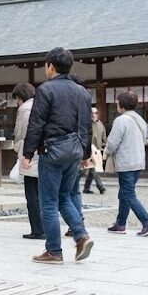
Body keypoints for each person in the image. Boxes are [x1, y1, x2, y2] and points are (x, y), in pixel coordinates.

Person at [22, 47, 94, 264]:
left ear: (51, 66)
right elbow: (86, 125)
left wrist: (27, 152)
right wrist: (86, 152)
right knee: (64, 197)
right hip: (74, 150)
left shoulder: (46, 89)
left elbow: (37, 123)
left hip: (52, 150)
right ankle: (81, 235)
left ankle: (54, 251)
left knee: (49, 202)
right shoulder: (82, 92)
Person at [104, 91, 148, 237]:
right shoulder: (140, 120)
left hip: (126, 162)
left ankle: (147, 223)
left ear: (122, 105)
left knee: (128, 194)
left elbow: (113, 142)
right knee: (124, 193)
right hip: (138, 161)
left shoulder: (121, 120)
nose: (116, 104)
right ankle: (120, 224)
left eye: (118, 102)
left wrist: (106, 151)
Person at [12, 83, 43, 239]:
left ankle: (37, 229)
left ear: (20, 97)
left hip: (30, 155)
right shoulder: (42, 104)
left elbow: (20, 134)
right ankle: (45, 226)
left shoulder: (24, 109)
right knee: (44, 194)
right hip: (45, 153)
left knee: (32, 194)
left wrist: (18, 150)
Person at [82, 107, 107, 194]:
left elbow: (104, 138)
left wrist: (104, 146)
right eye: (92, 113)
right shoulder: (86, 124)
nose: (94, 114)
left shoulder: (101, 125)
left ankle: (86, 188)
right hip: (88, 150)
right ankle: (101, 187)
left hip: (97, 150)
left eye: (96, 112)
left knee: (92, 169)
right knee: (86, 170)